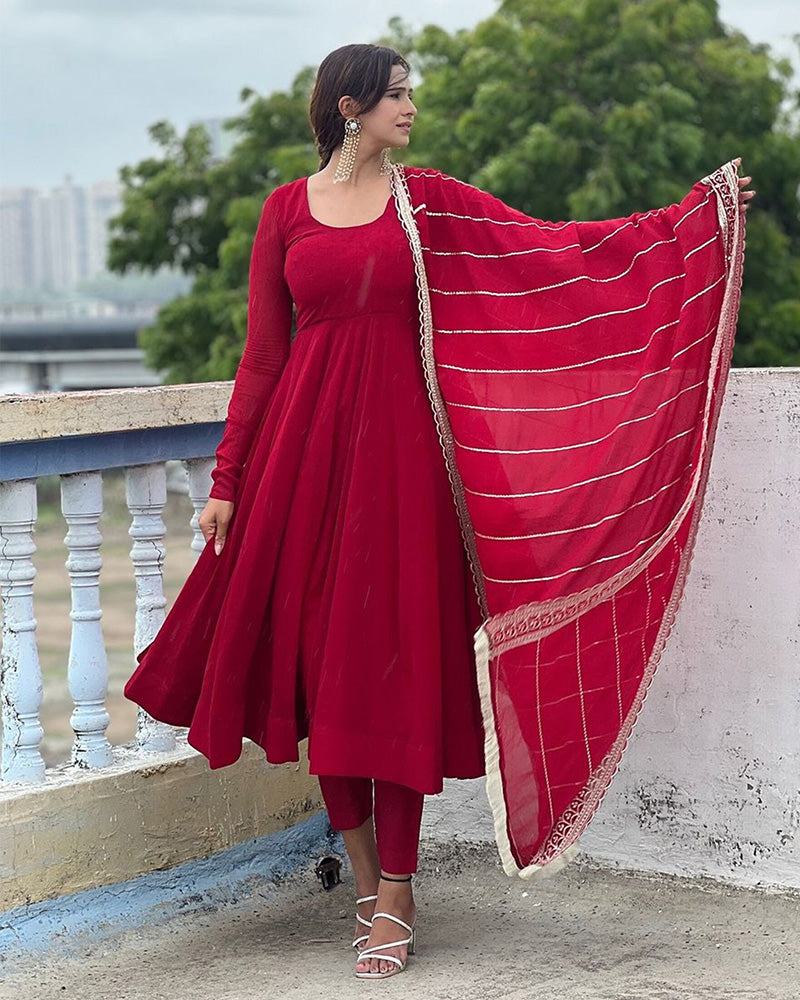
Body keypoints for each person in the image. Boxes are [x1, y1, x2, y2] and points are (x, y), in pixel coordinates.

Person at [125, 42, 753, 981]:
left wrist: (694, 224)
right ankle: (369, 873)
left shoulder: (431, 206)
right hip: (302, 462)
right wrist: (227, 479)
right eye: (396, 94)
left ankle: (399, 893)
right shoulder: (285, 212)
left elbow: (558, 253)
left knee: (396, 664)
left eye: (410, 93)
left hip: (406, 464)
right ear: (350, 107)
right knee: (318, 665)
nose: (410, 106)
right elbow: (263, 356)